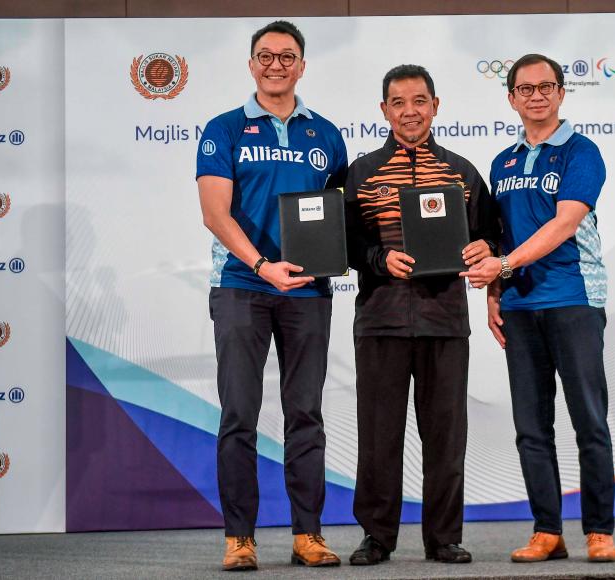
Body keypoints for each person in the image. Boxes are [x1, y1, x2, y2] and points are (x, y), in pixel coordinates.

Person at [195, 20, 348, 571]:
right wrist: (262, 264)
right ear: (252, 63)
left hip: (308, 291)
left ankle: (309, 534)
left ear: (302, 65)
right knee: (239, 413)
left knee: (305, 414)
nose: (276, 64)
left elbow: (336, 217)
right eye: (265, 55)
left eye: (287, 56)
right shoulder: (224, 128)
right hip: (241, 288)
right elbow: (215, 213)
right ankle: (240, 538)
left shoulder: (327, 134)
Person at [461, 53, 615, 564]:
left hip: (573, 298)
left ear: (561, 93)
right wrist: (493, 293)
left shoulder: (581, 151)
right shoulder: (502, 163)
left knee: (589, 420)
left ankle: (599, 530)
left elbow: (563, 225)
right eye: (525, 89)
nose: (536, 95)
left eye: (545, 87)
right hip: (520, 305)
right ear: (511, 98)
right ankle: (547, 531)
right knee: (531, 426)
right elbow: (498, 237)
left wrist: (502, 267)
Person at [344, 64, 499, 566]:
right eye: (398, 102)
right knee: (378, 433)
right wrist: (377, 259)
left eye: (419, 101)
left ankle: (444, 537)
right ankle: (377, 535)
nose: (409, 111)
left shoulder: (462, 172)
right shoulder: (362, 172)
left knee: (446, 435)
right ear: (384, 110)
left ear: (435, 105)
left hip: (445, 321)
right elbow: (346, 241)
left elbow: (492, 235)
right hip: (380, 320)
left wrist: (483, 248)